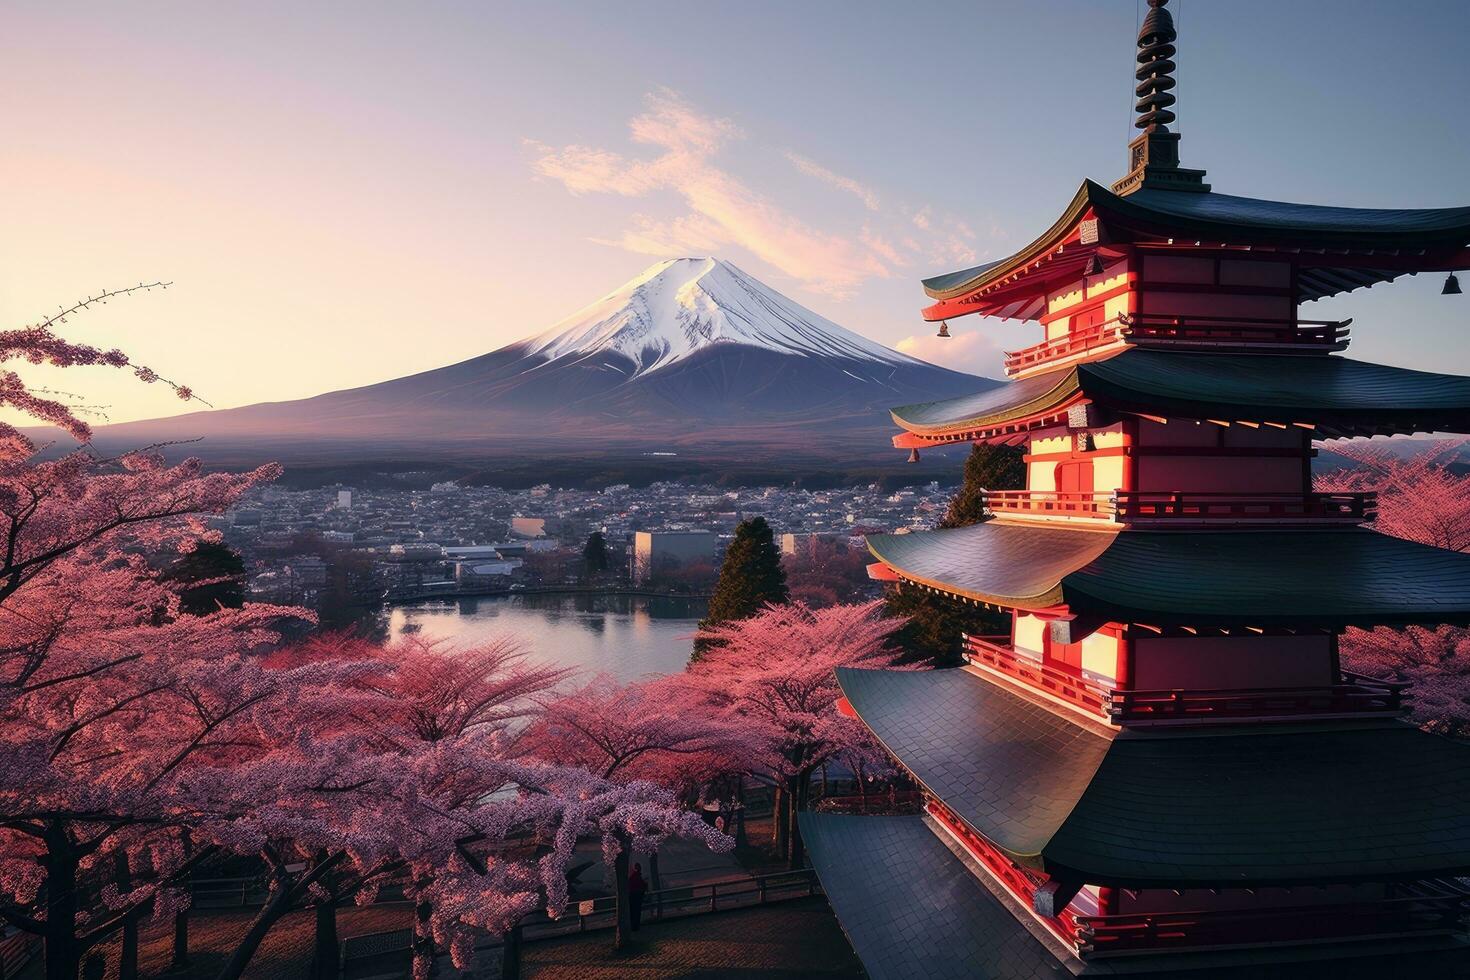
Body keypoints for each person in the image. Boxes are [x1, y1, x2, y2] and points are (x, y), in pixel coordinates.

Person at [628, 861, 648, 931]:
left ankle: (633, 926)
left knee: (633, 912)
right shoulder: (637, 876)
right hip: (637, 896)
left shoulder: (632, 876)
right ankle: (635, 926)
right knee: (637, 912)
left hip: (632, 896)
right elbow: (642, 885)